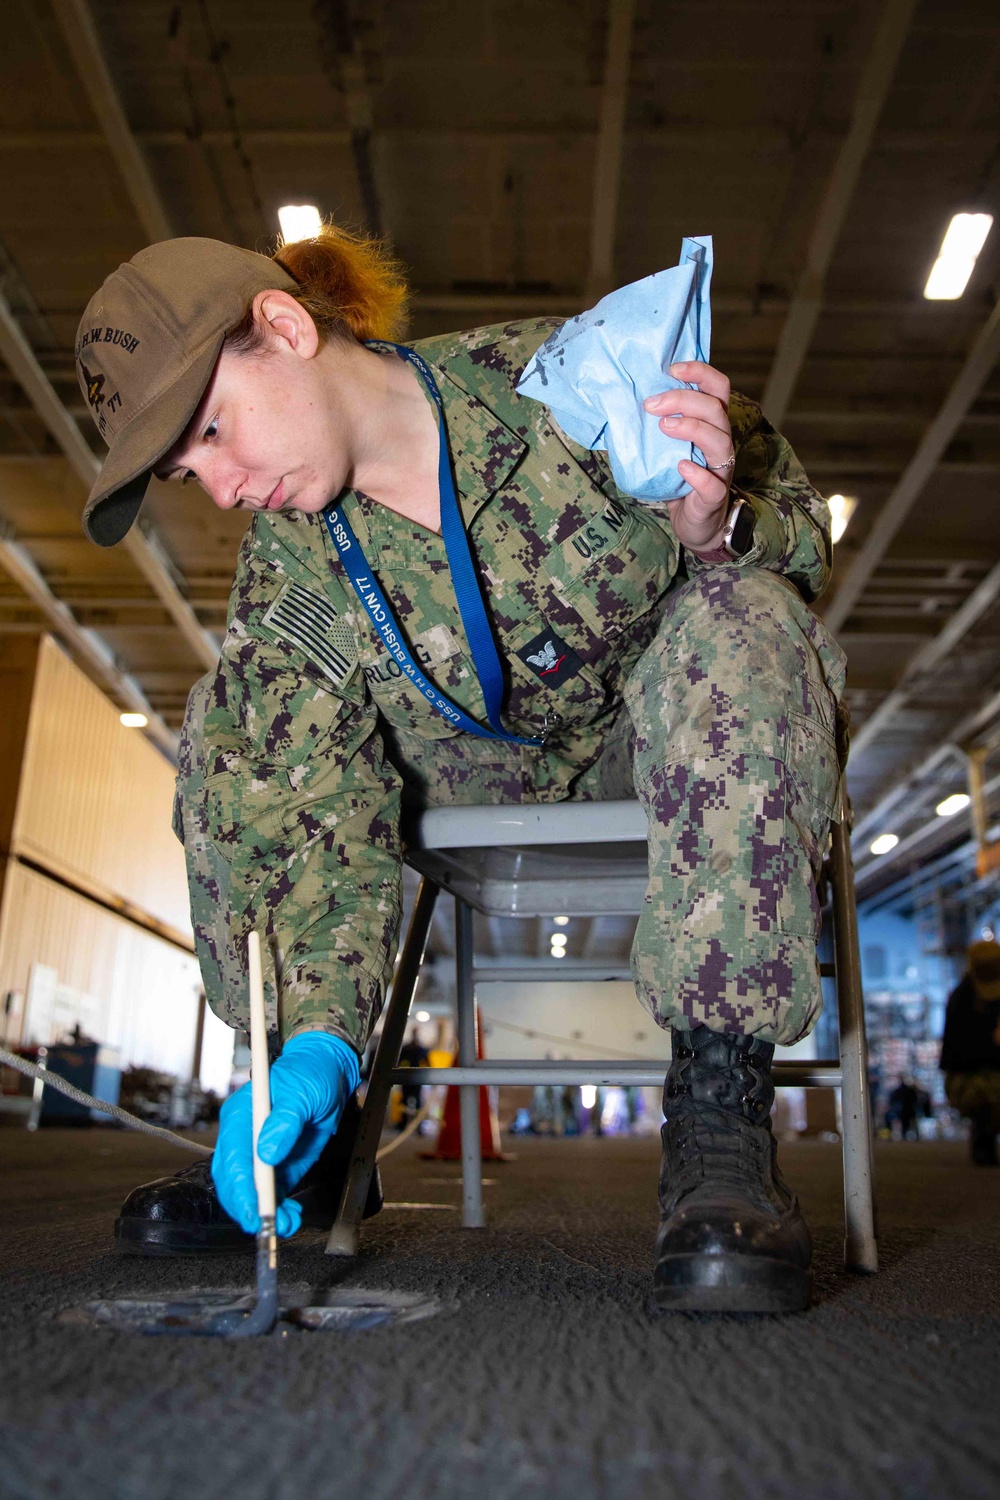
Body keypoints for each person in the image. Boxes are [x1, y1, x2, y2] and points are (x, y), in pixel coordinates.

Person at [76, 225, 844, 1312]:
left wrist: (714, 527)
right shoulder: (293, 559)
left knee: (745, 613)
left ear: (285, 330)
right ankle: (298, 1129)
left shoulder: (571, 387)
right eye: (185, 470)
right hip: (455, 778)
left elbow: (807, 541)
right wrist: (320, 1044)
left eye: (210, 431)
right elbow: (307, 793)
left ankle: (720, 1118)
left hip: (659, 751)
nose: (222, 487)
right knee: (239, 715)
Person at [940, 940, 1000, 1165]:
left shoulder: (959, 997)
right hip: (971, 1077)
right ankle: (983, 1141)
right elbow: (956, 1055)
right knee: (985, 1096)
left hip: (977, 1073)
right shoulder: (962, 1000)